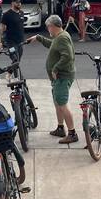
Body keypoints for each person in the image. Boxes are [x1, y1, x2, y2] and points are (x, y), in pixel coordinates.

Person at [27, 15, 77, 144]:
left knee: (62, 104)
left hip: (62, 77)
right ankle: (60, 128)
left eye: (48, 26)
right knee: (57, 102)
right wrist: (39, 38)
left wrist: (55, 68)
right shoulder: (59, 37)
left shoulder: (62, 38)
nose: (47, 29)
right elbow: (52, 45)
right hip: (58, 78)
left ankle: (72, 133)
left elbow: (68, 56)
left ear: (52, 26)